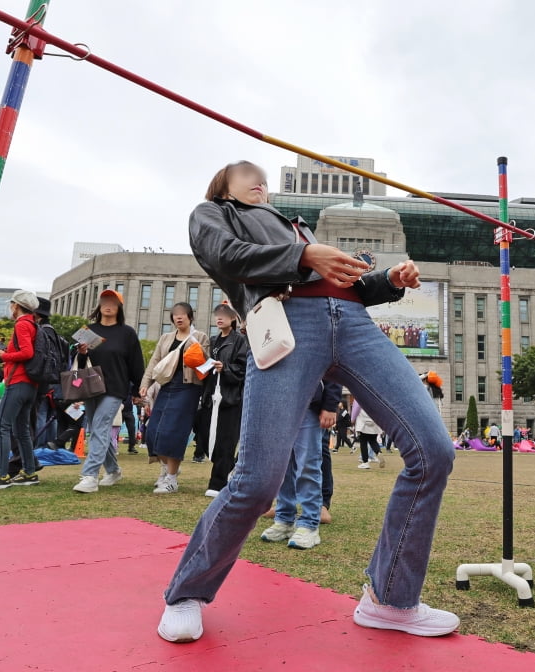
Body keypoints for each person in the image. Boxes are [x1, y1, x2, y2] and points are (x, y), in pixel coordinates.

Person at [157, 160, 457, 643]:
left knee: (433, 451)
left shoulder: (296, 226)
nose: (260, 182)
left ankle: (391, 599)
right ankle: (186, 593)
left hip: (355, 324)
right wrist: (304, 256)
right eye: (248, 175)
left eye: (264, 178)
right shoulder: (215, 214)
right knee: (257, 482)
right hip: (286, 323)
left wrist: (389, 281)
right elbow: (227, 257)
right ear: (223, 186)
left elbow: (349, 285)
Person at [72, 289, 145, 494]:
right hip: (90, 385)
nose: (108, 304)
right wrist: (82, 352)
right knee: (96, 430)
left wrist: (138, 389)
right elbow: (78, 362)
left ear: (119, 306)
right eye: (105, 300)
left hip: (115, 388)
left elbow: (136, 363)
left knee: (100, 426)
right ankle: (113, 470)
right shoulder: (89, 329)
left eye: (113, 301)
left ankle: (90, 476)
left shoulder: (127, 332)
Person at [0, 290, 43, 489]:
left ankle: (1, 474)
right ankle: (29, 472)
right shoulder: (33, 324)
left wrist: (4, 355)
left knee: (2, 427)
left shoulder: (21, 324)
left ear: (16, 305)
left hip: (17, 381)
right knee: (22, 430)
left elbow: (26, 352)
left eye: (12, 304)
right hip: (30, 384)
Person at [259, 380, 342, 551]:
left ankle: (309, 524)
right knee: (282, 466)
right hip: (279, 403)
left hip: (309, 405)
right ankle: (284, 519)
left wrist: (330, 404)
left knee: (308, 465)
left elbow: (334, 366)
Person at [138, 302, 209, 495]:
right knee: (153, 431)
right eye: (175, 315)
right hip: (166, 386)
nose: (178, 318)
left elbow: (206, 365)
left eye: (182, 315)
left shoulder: (200, 336)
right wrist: (146, 384)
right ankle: (167, 468)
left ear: (190, 317)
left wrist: (198, 350)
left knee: (174, 432)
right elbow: (154, 362)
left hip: (188, 388)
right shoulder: (165, 338)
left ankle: (171, 479)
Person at [199, 303, 249, 497]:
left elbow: (243, 368)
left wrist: (225, 368)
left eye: (225, 315)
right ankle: (231, 469)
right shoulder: (212, 341)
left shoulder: (239, 340)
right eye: (217, 314)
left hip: (231, 398)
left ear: (233, 318)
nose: (220, 318)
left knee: (226, 441)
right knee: (204, 436)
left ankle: (217, 483)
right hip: (211, 396)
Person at [353, 402, 385, 469]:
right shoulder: (374, 396)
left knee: (363, 443)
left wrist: (352, 418)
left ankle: (365, 462)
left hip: (363, 422)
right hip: (373, 421)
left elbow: (356, 408)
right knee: (373, 441)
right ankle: (378, 452)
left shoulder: (359, 395)